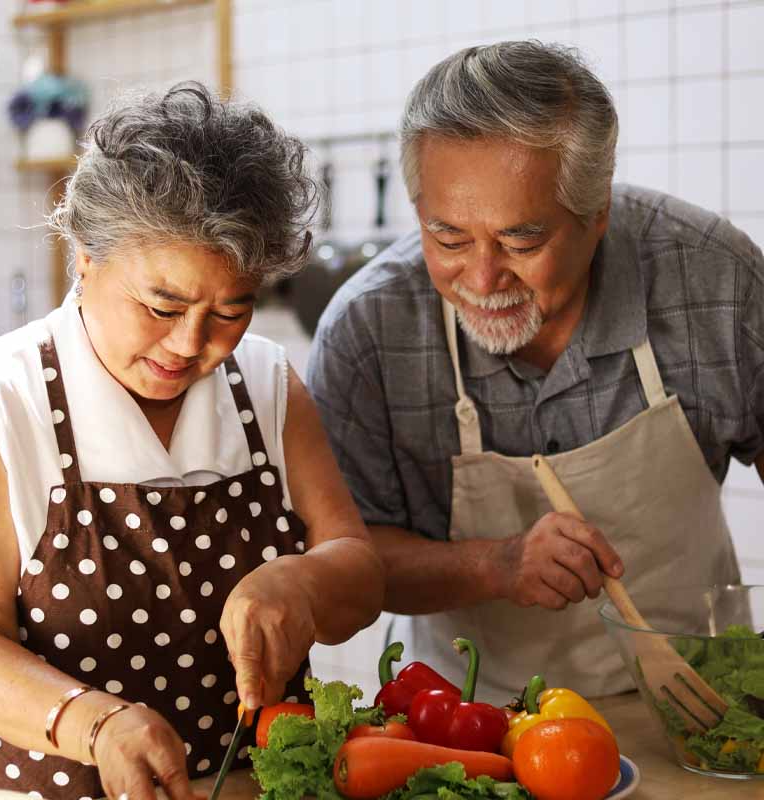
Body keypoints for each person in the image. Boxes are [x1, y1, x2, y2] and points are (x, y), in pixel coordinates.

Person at [0, 82, 384, 800]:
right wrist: (95, 724)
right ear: (85, 257)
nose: (193, 346)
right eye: (162, 305)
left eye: (231, 310)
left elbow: (363, 575)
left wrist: (302, 581)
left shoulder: (267, 385)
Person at [307, 40, 753, 705]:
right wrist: (496, 564)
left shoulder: (712, 279)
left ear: (596, 212)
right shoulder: (367, 332)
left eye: (522, 239)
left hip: (703, 708)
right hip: (471, 726)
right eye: (448, 237)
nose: (482, 279)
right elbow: (348, 564)